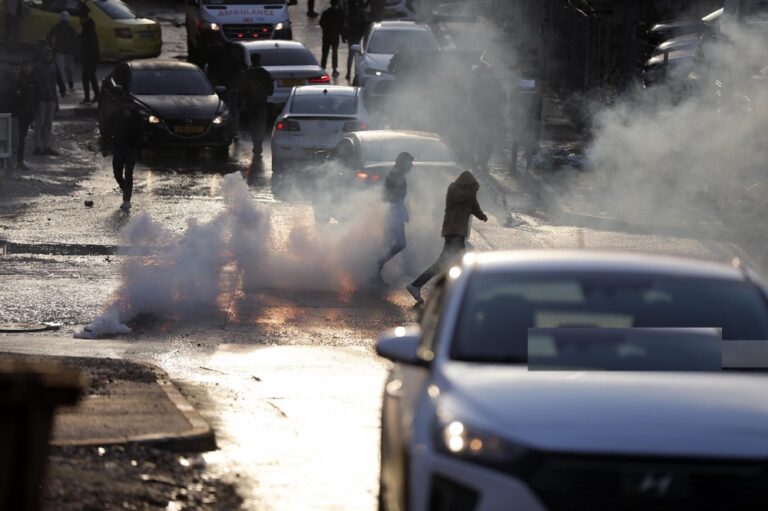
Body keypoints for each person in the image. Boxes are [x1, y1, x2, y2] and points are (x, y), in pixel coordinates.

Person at [407, 171, 488, 303]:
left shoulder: (469, 193)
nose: (473, 187)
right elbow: (464, 196)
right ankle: (419, 286)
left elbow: (474, 207)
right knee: (455, 263)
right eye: (472, 185)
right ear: (466, 183)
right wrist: (474, 189)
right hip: (453, 232)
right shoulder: (454, 189)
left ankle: (436, 288)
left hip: (459, 233)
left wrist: (482, 216)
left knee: (450, 263)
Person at [375, 152, 414, 283]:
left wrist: (403, 210)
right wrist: (399, 208)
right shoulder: (395, 176)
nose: (411, 166)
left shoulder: (398, 175)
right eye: (410, 163)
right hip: (393, 214)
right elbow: (386, 196)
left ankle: (376, 273)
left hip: (394, 213)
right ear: (403, 163)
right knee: (400, 243)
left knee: (387, 243)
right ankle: (378, 265)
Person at [103, 99, 143, 211]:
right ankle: (126, 189)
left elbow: (140, 130)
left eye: (129, 104)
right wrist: (105, 147)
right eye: (125, 103)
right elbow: (107, 130)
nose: (127, 106)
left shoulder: (137, 116)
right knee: (117, 173)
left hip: (131, 148)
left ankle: (127, 200)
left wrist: (130, 118)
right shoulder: (115, 115)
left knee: (129, 173)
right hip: (119, 148)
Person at [470, 62, 506, 171]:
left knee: (483, 140)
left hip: (484, 116)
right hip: (485, 115)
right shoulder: (492, 82)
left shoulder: (479, 82)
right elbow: (503, 98)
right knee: (486, 140)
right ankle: (482, 162)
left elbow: (471, 98)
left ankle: (480, 161)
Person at [239, 53, 273, 157]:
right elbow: (271, 91)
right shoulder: (265, 73)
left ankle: (256, 143)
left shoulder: (247, 73)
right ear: (259, 60)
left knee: (253, 124)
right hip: (262, 103)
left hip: (250, 103)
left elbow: (242, 89)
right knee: (261, 124)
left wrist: (242, 101)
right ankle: (259, 143)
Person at [31, 47, 59, 156]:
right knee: (40, 124)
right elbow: (35, 85)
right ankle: (38, 146)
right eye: (47, 55)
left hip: (50, 99)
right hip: (41, 99)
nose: (49, 57)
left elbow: (53, 84)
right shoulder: (37, 68)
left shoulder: (53, 67)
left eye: (50, 55)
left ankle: (46, 146)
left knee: (48, 124)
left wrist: (56, 101)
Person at [46, 11, 79, 96]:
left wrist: (52, 47)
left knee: (61, 70)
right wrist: (75, 51)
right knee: (70, 69)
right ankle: (71, 85)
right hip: (69, 52)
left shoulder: (57, 27)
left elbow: (49, 36)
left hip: (59, 51)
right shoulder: (72, 29)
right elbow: (76, 41)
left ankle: (63, 87)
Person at [13, 60, 37, 169]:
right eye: (25, 66)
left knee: (21, 138)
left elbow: (31, 98)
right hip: (19, 114)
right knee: (18, 139)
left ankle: (19, 160)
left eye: (29, 65)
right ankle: (18, 161)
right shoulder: (19, 80)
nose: (28, 68)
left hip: (27, 114)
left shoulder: (30, 79)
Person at [220, 44, 246, 139]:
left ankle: (228, 131)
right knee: (234, 111)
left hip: (228, 89)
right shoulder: (237, 61)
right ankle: (233, 131)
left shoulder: (223, 61)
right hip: (233, 89)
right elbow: (244, 71)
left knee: (227, 110)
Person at [79, 9, 99, 104]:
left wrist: (83, 58)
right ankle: (95, 96)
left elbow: (85, 46)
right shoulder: (89, 28)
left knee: (87, 77)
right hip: (92, 57)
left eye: (81, 18)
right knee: (90, 76)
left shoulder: (87, 29)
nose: (79, 20)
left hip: (90, 57)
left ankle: (89, 97)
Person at [344, 0, 368, 81]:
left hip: (352, 36)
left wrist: (344, 36)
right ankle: (355, 73)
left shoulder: (349, 15)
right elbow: (364, 26)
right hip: (357, 36)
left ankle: (348, 73)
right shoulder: (360, 14)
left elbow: (345, 26)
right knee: (356, 56)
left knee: (351, 55)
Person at [320, 0, 345, 78]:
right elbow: (341, 25)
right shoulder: (339, 13)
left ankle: (323, 68)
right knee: (334, 53)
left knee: (325, 53)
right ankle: (334, 69)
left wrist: (325, 29)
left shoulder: (326, 12)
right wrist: (343, 36)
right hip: (335, 36)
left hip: (326, 36)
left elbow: (321, 22)